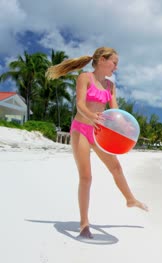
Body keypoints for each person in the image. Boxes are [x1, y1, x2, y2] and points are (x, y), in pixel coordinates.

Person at [46, 47, 148, 239]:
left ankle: (130, 199)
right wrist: (92, 116)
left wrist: (125, 126)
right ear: (102, 60)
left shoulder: (110, 86)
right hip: (81, 130)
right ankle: (84, 224)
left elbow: (115, 110)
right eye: (114, 63)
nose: (116, 67)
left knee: (116, 168)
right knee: (86, 177)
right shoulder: (85, 77)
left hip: (100, 134)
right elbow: (80, 105)